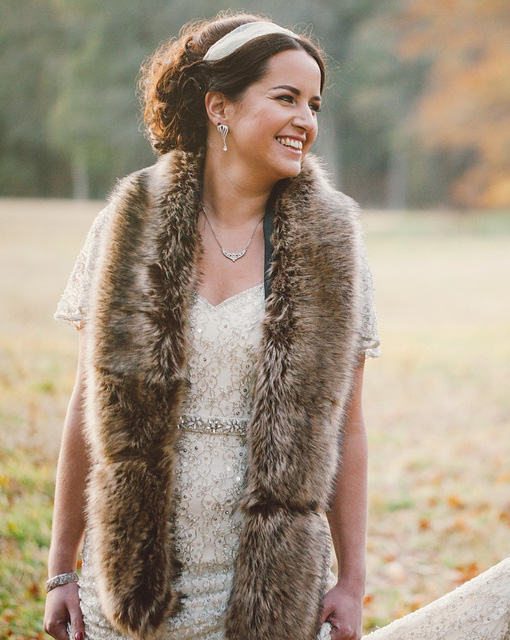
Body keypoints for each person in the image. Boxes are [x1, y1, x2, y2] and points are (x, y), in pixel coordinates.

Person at [43, 14, 380, 640]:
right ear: (218, 106)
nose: (307, 120)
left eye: (315, 104)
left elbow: (349, 426)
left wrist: (353, 581)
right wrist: (62, 568)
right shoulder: (128, 226)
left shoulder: (333, 245)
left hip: (269, 577)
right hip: (133, 566)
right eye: (286, 98)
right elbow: (89, 403)